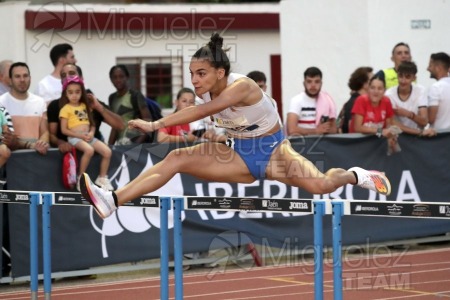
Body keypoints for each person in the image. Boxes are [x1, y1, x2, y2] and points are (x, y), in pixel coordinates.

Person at [79, 33, 392, 219]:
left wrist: (156, 123)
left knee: (322, 185)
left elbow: (207, 109)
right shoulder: (209, 90)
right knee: (175, 159)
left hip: (274, 153)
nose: (195, 80)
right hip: (238, 154)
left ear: (220, 72)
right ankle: (113, 200)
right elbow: (202, 118)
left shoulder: (242, 87)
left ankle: (357, 175)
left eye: (201, 73)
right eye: (191, 74)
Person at [48, 63, 124, 153]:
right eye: (63, 75)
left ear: (81, 78)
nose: (67, 77)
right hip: (67, 159)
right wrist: (60, 142)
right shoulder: (54, 105)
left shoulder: (92, 102)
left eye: (71, 73)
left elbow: (120, 125)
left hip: (93, 158)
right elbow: (51, 135)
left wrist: (98, 107)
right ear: (61, 81)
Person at [59, 76, 113, 191]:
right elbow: (64, 130)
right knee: (89, 150)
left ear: (82, 92)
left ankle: (102, 178)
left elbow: (92, 124)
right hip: (74, 138)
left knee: (107, 152)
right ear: (66, 94)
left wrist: (92, 133)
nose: (74, 95)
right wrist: (80, 136)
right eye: (70, 92)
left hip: (88, 137)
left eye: (77, 92)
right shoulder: (65, 109)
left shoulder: (85, 106)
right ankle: (80, 178)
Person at [0, 62, 49, 154]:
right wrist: (30, 145)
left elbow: (45, 132)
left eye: (25, 76)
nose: (22, 80)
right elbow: (5, 137)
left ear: (30, 78)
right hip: (11, 159)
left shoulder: (40, 102)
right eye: (17, 76)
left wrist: (42, 143)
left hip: (36, 156)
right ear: (10, 80)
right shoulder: (1, 102)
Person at [350, 76, 401, 155]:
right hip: (357, 145)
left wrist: (391, 136)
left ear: (384, 90)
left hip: (376, 146)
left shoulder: (386, 101)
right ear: (368, 89)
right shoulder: (361, 100)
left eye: (379, 88)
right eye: (372, 88)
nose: (376, 91)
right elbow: (357, 127)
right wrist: (380, 131)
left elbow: (388, 126)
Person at [385, 61, 435, 137]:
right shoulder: (389, 94)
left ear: (414, 78)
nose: (403, 80)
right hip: (399, 136)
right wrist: (418, 132)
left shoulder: (420, 90)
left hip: (417, 137)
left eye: (407, 77)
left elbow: (424, 121)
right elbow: (392, 123)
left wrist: (408, 114)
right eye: (400, 76)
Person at [107, 65, 152, 145]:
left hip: (137, 144)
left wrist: (136, 144)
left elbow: (147, 120)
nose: (118, 80)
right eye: (115, 77)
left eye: (121, 76)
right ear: (111, 79)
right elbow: (114, 125)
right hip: (121, 145)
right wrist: (110, 146)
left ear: (127, 77)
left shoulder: (135, 95)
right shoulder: (112, 98)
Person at [286, 67, 337, 136]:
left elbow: (334, 129)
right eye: (309, 81)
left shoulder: (327, 101)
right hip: (302, 145)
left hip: (322, 144)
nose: (313, 85)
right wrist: (316, 131)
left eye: (317, 81)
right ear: (304, 83)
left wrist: (326, 129)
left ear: (321, 83)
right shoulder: (297, 100)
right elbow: (291, 130)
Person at [337, 67, 373, 133]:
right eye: (372, 80)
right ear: (364, 84)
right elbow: (354, 130)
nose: (375, 82)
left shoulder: (349, 103)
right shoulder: (355, 103)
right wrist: (380, 132)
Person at [427, 52, 450, 130]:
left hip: (439, 138)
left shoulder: (436, 88)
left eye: (430, 65)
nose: (428, 69)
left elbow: (431, 119)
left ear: (438, 68)